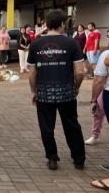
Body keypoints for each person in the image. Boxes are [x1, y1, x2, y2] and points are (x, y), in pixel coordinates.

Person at [27, 9, 85, 171]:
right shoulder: (71, 43)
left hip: (44, 93)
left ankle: (52, 158)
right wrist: (76, 87)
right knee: (72, 125)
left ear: (46, 24)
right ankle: (79, 159)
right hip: (66, 92)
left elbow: (32, 72)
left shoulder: (36, 44)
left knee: (46, 127)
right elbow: (80, 72)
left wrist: (33, 91)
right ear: (61, 24)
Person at [88, 49, 109, 147]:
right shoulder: (106, 54)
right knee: (97, 111)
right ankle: (95, 135)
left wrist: (93, 100)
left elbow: (99, 80)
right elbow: (99, 80)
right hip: (105, 90)